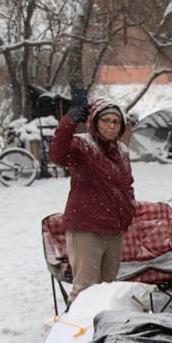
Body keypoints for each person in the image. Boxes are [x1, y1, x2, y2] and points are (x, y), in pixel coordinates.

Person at [49, 98, 135, 307]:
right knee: (85, 290)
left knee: (107, 290)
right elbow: (57, 155)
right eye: (106, 120)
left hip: (114, 231)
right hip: (86, 229)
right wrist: (68, 122)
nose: (111, 126)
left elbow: (127, 186)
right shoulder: (82, 145)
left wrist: (127, 213)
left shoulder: (122, 151)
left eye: (116, 121)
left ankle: (100, 327)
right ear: (95, 122)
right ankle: (76, 327)